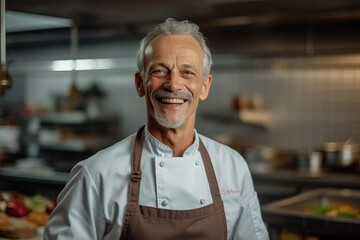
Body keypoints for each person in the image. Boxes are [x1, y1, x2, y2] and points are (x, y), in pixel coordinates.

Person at [44, 18, 269, 240]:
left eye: (187, 72)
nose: (173, 84)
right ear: (140, 83)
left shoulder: (233, 168)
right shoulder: (96, 174)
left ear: (204, 86)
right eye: (159, 71)